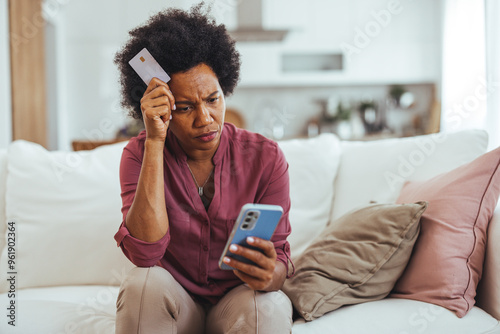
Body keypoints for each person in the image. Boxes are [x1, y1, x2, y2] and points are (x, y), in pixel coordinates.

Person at [113, 4, 294, 334]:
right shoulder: (139, 154)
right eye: (184, 107)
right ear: (164, 106)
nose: (205, 118)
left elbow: (281, 259)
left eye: (213, 99)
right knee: (143, 285)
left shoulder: (266, 158)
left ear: (225, 89)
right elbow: (144, 252)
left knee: (266, 304)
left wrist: (271, 274)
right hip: (176, 302)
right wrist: (155, 139)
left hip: (236, 300)